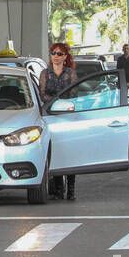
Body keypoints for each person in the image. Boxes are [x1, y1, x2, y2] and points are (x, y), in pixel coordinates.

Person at [39, 42, 78, 201]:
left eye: (59, 54)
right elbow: (42, 94)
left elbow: (74, 94)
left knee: (69, 152)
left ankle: (71, 189)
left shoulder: (71, 74)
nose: (56, 56)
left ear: (66, 57)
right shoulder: (44, 73)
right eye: (53, 53)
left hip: (67, 115)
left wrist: (61, 102)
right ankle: (57, 189)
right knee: (54, 151)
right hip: (51, 116)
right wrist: (55, 102)